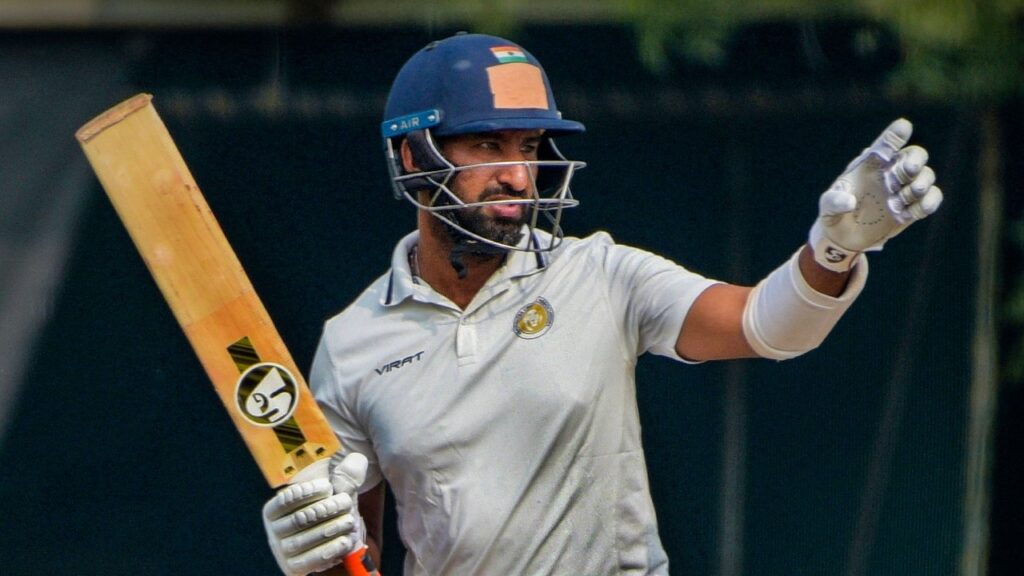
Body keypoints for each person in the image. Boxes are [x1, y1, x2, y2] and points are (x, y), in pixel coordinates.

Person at [260, 32, 943, 576]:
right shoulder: (353, 343)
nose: (518, 175)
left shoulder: (600, 274)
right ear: (413, 157)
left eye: (529, 146)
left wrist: (832, 252)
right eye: (488, 144)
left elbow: (769, 327)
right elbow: (355, 557)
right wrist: (311, 552)